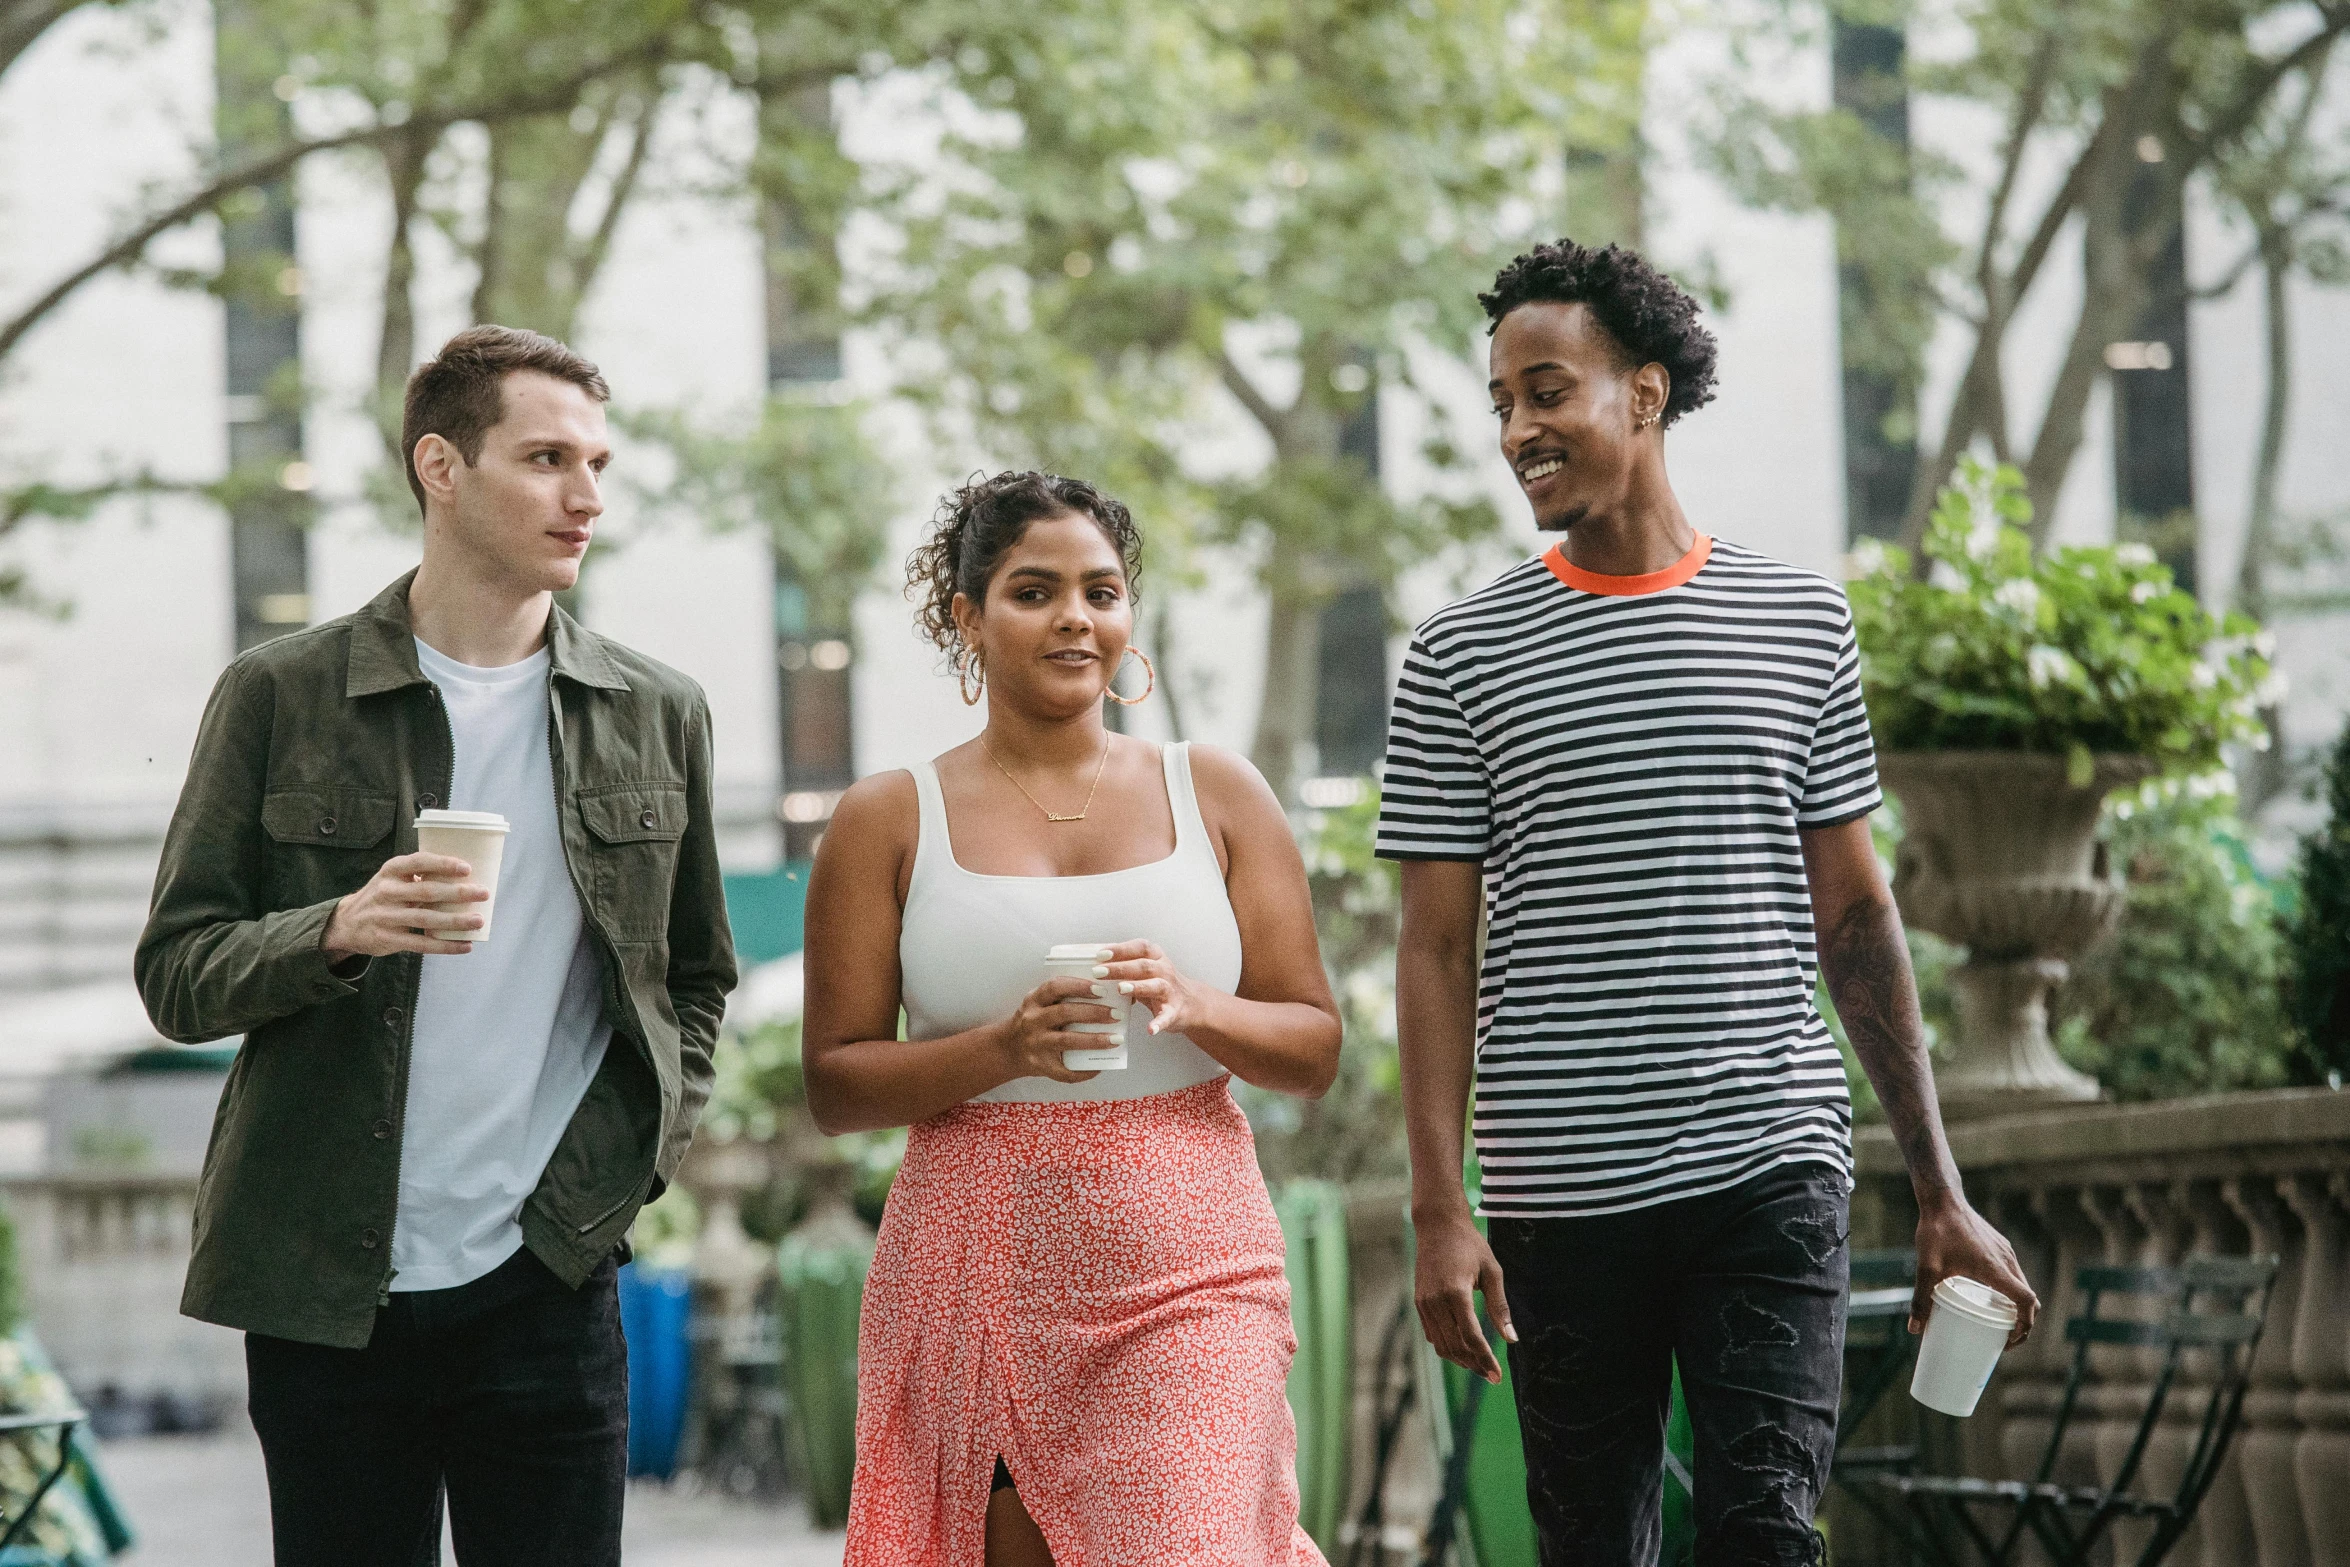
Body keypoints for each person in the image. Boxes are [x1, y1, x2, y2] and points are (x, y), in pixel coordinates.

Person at [1380, 239, 2040, 1565]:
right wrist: (1439, 1205)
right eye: (1500, 400)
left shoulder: (1799, 624)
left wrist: (1937, 1185)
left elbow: (1854, 917)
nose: (1517, 429)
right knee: (1590, 1546)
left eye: (1545, 390)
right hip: (1559, 1189)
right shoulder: (1456, 657)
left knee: (1764, 1534)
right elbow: (1436, 949)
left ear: (1644, 391)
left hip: (1767, 1162)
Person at [135, 325, 737, 1566]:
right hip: (322, 1283)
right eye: (547, 457)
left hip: (549, 1278)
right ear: (441, 468)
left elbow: (691, 981)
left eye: (599, 463)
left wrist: (622, 1182)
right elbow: (177, 973)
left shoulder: (656, 713)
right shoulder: (280, 693)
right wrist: (337, 928)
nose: (587, 496)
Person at [803, 470, 1341, 1566]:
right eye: (1034, 591)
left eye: (1100, 592)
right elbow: (835, 1083)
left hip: (1191, 1260)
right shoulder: (886, 817)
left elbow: (1313, 1045)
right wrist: (996, 1051)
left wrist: (1201, 1007)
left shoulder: (1219, 792)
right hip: (973, 1263)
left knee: (1184, 1543)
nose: (1074, 619)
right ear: (969, 618)